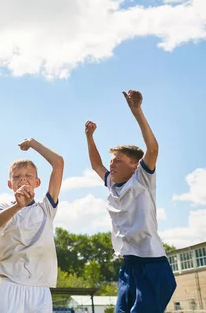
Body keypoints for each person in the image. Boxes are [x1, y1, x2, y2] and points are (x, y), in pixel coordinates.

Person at [85, 90, 176, 312]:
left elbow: (153, 149)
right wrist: (89, 137)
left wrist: (137, 111)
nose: (112, 165)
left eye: (117, 161)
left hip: (152, 265)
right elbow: (96, 165)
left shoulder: (142, 179)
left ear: (134, 165)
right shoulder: (112, 184)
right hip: (129, 266)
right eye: (111, 161)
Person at [0, 138, 64, 313]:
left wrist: (32, 143)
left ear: (37, 182)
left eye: (28, 175)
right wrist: (18, 206)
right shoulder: (3, 207)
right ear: (10, 184)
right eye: (16, 176)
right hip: (11, 282)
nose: (22, 178)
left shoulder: (45, 208)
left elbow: (58, 163)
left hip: (40, 285)